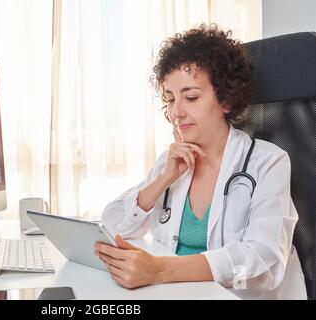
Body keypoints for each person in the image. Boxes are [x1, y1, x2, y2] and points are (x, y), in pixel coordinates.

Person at [94, 24, 307, 300]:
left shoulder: (267, 162)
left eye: (191, 97)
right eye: (170, 99)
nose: (176, 113)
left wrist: (160, 269)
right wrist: (162, 180)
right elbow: (112, 227)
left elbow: (263, 258)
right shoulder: (172, 162)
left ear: (226, 100)